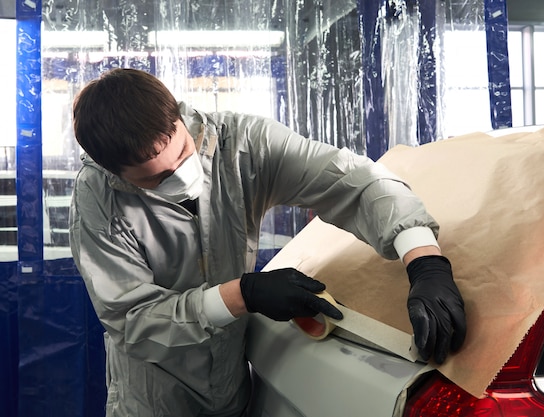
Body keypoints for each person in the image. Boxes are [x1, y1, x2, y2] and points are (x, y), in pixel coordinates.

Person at [69, 68, 466, 417]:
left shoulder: (243, 145)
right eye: (155, 180)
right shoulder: (99, 198)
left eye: (184, 154)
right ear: (115, 173)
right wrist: (243, 294)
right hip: (152, 397)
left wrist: (424, 261)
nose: (180, 177)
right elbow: (133, 320)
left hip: (231, 388)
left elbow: (358, 183)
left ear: (178, 117)